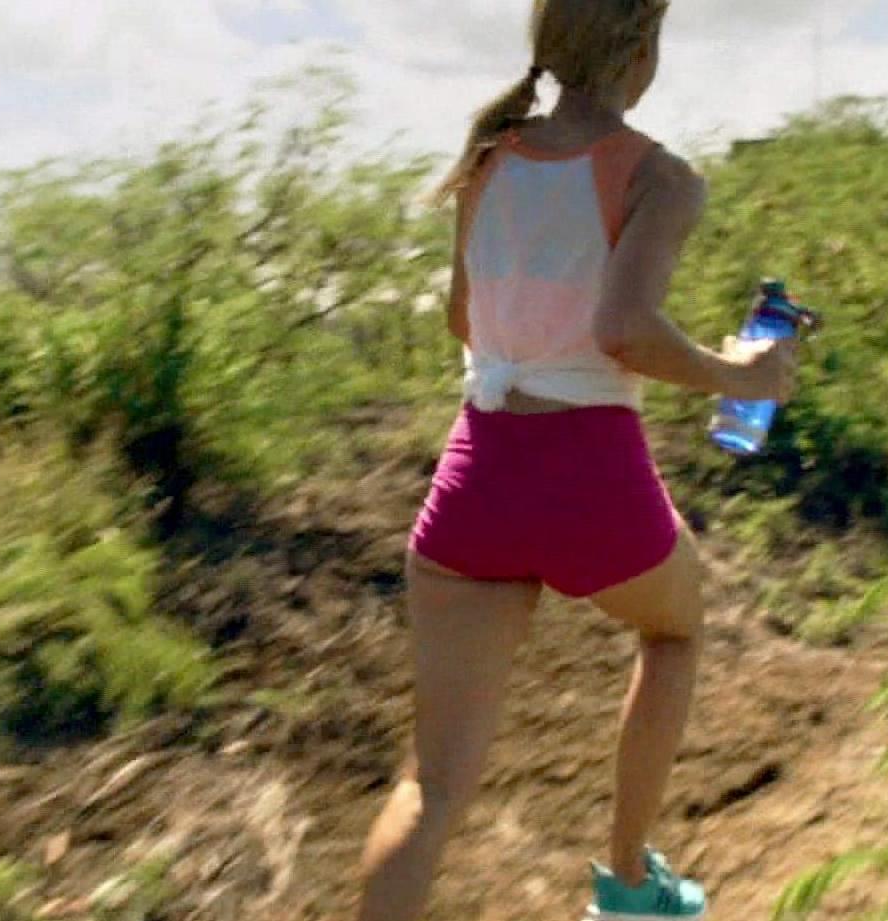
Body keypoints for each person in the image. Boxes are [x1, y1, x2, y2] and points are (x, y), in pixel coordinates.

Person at [354, 1, 800, 919]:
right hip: (590, 475)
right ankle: (630, 886)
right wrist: (738, 373)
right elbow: (624, 328)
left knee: (431, 784)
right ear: (641, 46)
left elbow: (461, 317)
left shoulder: (488, 157)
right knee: (674, 632)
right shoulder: (661, 177)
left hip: (476, 474)